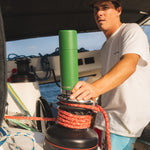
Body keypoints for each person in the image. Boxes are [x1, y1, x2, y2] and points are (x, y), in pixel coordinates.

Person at [70, 0, 150, 149]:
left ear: (118, 10)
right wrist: (95, 110)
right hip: (106, 119)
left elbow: (129, 64)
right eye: (96, 9)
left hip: (124, 123)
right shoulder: (105, 46)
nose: (99, 13)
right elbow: (109, 82)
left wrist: (93, 89)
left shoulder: (131, 30)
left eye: (105, 8)